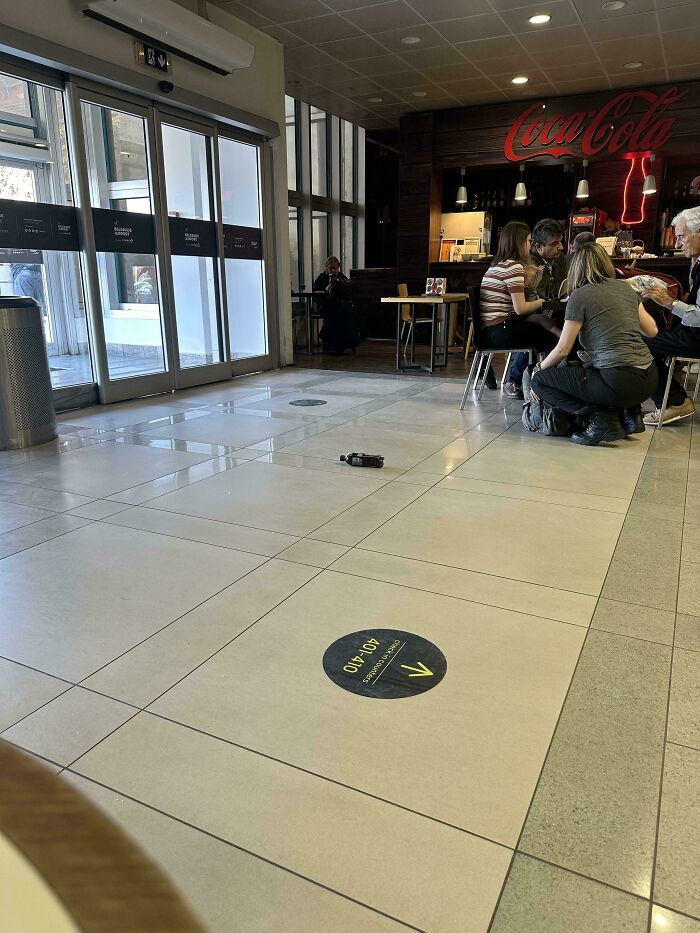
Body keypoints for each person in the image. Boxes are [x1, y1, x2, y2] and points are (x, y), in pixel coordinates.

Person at [531, 242, 658, 445]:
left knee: (541, 381)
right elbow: (651, 330)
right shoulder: (626, 289)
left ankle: (599, 419)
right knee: (589, 366)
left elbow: (563, 349)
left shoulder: (580, 296)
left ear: (576, 268)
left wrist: (538, 370)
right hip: (649, 379)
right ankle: (630, 416)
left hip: (619, 382)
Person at [640, 206, 700, 425]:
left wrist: (670, 303)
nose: (677, 244)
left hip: (697, 335)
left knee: (639, 345)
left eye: (682, 236)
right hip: (692, 332)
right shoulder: (698, 263)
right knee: (648, 336)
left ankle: (674, 402)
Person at [479, 221, 560, 382]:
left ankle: (525, 381)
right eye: (529, 241)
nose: (530, 247)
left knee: (543, 325)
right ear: (519, 242)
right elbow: (520, 309)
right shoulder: (514, 267)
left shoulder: (496, 266)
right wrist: (541, 302)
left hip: (488, 332)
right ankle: (537, 384)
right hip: (501, 331)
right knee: (551, 338)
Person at [503, 218, 567, 398]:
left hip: (543, 310)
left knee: (563, 327)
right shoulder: (526, 264)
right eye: (555, 243)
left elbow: (559, 287)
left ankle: (544, 378)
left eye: (560, 241)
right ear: (538, 247)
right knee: (544, 331)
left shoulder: (559, 260)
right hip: (522, 315)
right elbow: (530, 296)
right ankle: (517, 379)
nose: (561, 247)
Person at [313, 256, 358, 355]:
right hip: (325, 306)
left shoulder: (341, 276)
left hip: (339, 307)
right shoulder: (321, 278)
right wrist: (326, 288)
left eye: (335, 268)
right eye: (331, 268)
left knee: (346, 314)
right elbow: (316, 295)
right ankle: (333, 344)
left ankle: (342, 343)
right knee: (337, 314)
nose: (333, 270)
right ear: (326, 267)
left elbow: (350, 292)